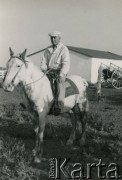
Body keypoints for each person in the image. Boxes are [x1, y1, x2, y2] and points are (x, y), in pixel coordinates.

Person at [40, 31, 70, 115]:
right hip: (49, 72)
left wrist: (61, 74)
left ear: (59, 38)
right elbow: (43, 62)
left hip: (59, 72)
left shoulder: (63, 49)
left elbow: (66, 64)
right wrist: (44, 69)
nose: (53, 39)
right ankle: (36, 103)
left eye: (54, 37)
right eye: (51, 38)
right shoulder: (48, 49)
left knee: (59, 84)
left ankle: (58, 106)